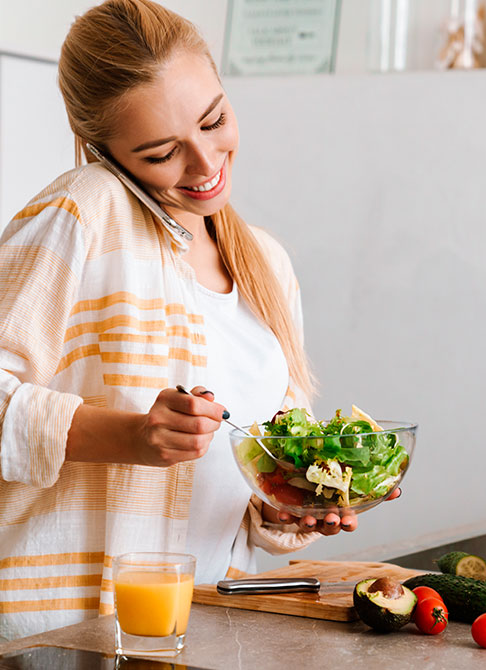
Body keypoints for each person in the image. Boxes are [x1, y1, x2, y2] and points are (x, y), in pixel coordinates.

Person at [0, 0, 399, 640]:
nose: (207, 162)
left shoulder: (266, 262)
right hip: (72, 636)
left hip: (215, 626)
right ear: (105, 149)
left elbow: (244, 486)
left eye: (214, 121)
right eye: (162, 153)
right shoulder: (82, 212)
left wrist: (291, 505)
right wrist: (131, 437)